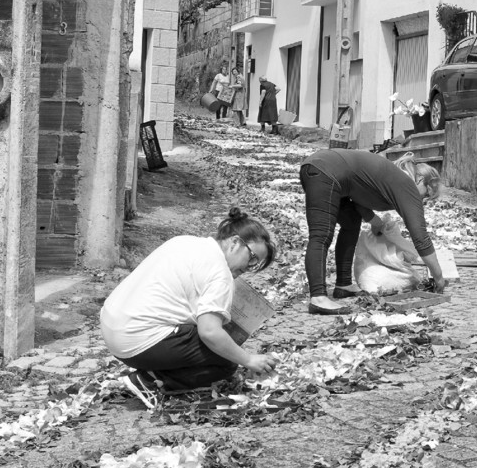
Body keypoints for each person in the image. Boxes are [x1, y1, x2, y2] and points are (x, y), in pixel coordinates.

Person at [100, 207, 280, 408]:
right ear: (235, 243)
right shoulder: (220, 273)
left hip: (111, 329)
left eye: (256, 265)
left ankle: (154, 371)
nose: (249, 267)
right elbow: (210, 332)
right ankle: (150, 381)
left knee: (222, 344)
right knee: (227, 361)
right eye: (252, 257)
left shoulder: (185, 241)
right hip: (137, 341)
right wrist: (248, 360)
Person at [298, 149, 446, 315]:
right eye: (426, 195)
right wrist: (438, 277)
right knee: (321, 235)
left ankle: (343, 285)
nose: (422, 201)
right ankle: (318, 297)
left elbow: (360, 199)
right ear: (420, 180)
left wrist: (376, 223)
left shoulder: (393, 179)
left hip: (320, 169)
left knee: (351, 222)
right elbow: (420, 237)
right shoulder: (406, 184)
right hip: (325, 171)